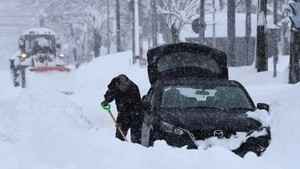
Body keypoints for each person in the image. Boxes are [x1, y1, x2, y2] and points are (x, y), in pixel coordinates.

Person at [101, 74, 143, 143]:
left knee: (136, 138)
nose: (125, 88)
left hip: (135, 113)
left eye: (126, 86)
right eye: (123, 87)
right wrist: (106, 100)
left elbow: (138, 105)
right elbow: (109, 95)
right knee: (119, 137)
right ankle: (119, 149)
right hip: (122, 114)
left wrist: (135, 116)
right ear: (118, 85)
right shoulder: (115, 86)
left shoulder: (133, 88)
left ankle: (136, 148)